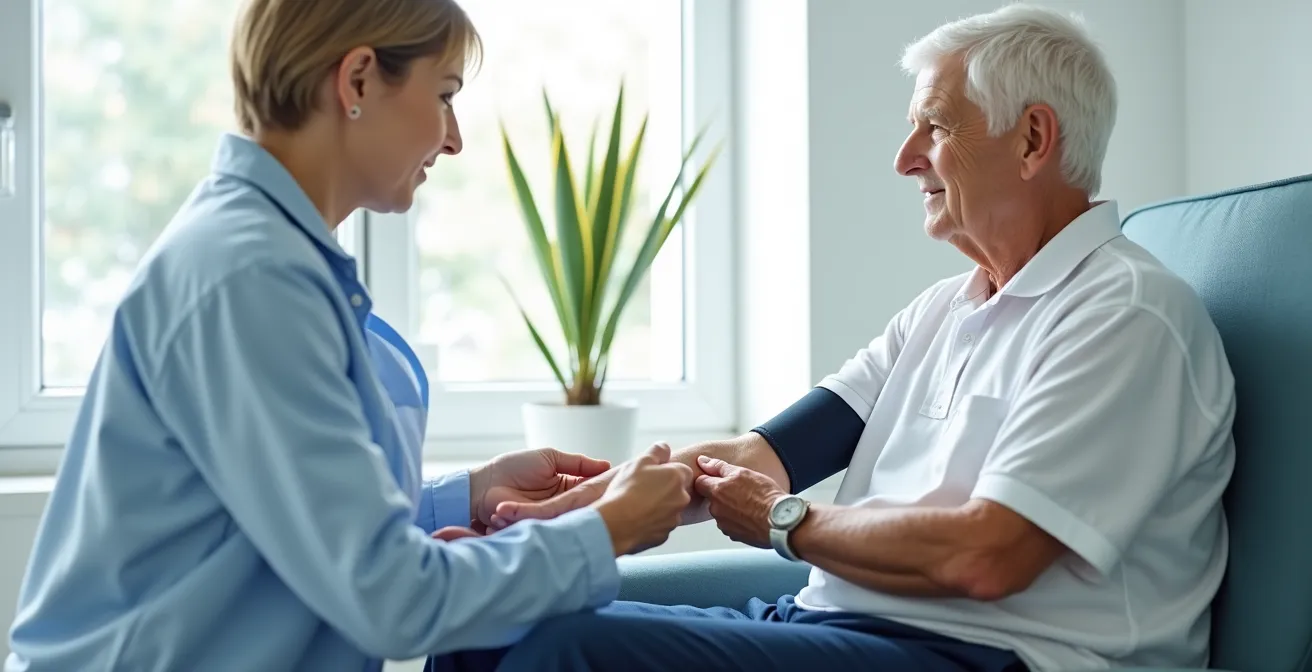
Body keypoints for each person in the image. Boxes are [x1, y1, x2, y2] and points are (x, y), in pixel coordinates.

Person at [466, 4, 1237, 671]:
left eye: (933, 128)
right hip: (843, 630)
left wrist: (785, 523)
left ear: (1033, 139)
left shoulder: (1126, 316)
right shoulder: (942, 311)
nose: (904, 160)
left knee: (558, 658)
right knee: (484, 626)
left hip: (990, 656)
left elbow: (987, 555)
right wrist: (569, 514)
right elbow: (757, 458)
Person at [3, 1, 695, 670]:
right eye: (445, 94)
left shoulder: (266, 258)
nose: (454, 138)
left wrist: (468, 497)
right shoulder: (252, 280)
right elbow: (389, 599)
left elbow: (289, 530)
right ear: (358, 79)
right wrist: (607, 531)